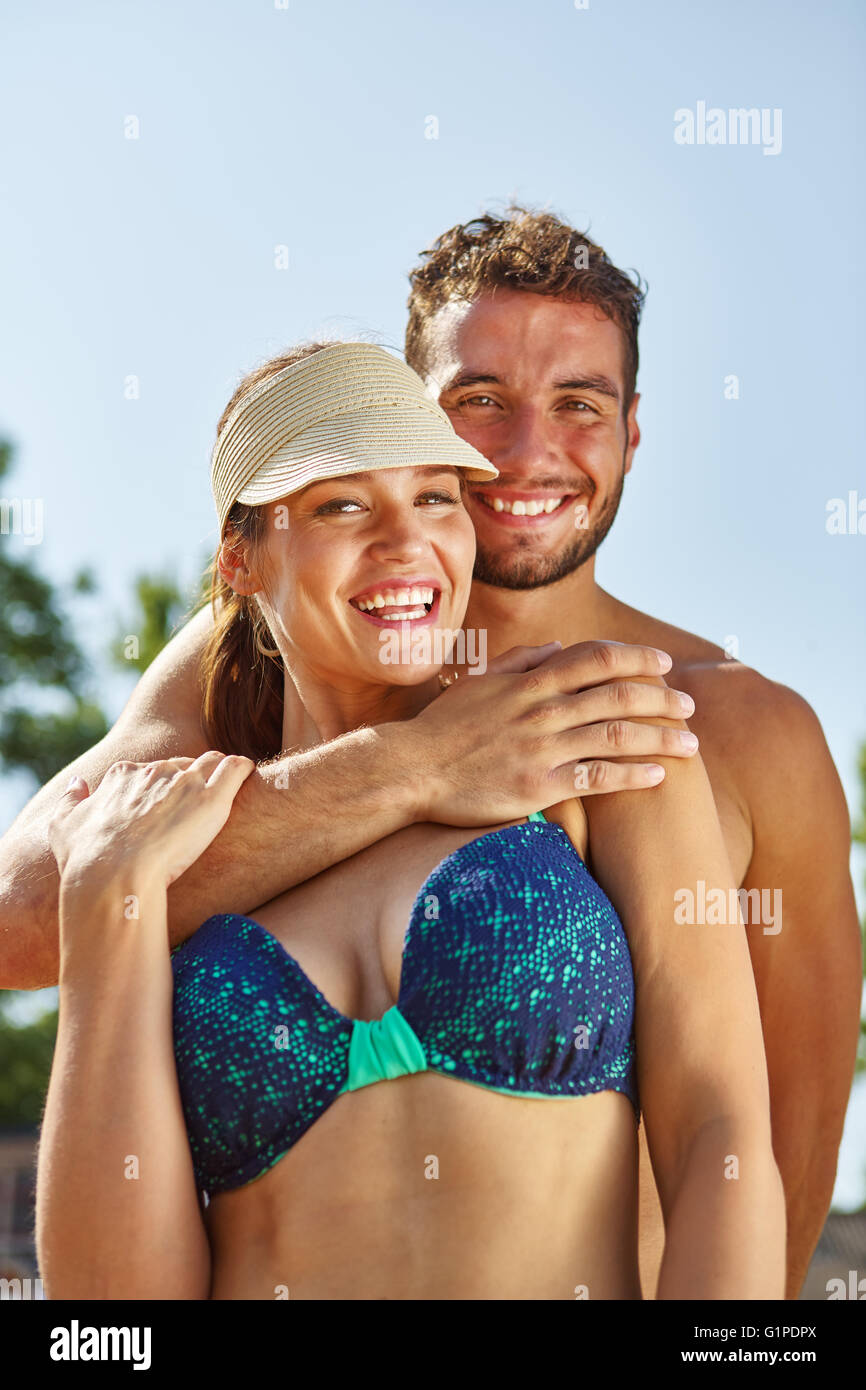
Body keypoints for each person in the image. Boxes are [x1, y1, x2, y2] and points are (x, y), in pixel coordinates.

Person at [1, 206, 859, 1299]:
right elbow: (30, 917)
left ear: (632, 430)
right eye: (478, 405)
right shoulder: (233, 668)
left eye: (577, 404)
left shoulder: (683, 725)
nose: (522, 454)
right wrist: (416, 768)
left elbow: (767, 1143)